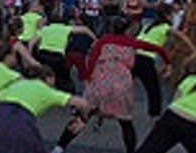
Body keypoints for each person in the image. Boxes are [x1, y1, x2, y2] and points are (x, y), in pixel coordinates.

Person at [52, 16, 171, 153]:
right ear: (127, 29)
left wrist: (87, 77)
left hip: (101, 79)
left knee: (82, 115)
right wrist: (167, 63)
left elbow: (91, 60)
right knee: (125, 121)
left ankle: (59, 147)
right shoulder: (131, 42)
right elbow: (158, 49)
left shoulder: (103, 41)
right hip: (122, 81)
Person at [0, 65, 91, 153]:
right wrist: (83, 120)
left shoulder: (16, 85)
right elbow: (82, 104)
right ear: (48, 78)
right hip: (20, 121)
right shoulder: (46, 90)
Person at [133, 3, 196, 123]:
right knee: (153, 90)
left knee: (123, 83)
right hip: (145, 59)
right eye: (172, 14)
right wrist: (193, 50)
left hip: (133, 56)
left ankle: (101, 106)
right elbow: (181, 36)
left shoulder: (148, 26)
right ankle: (154, 117)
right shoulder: (165, 27)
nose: (173, 17)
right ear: (167, 15)